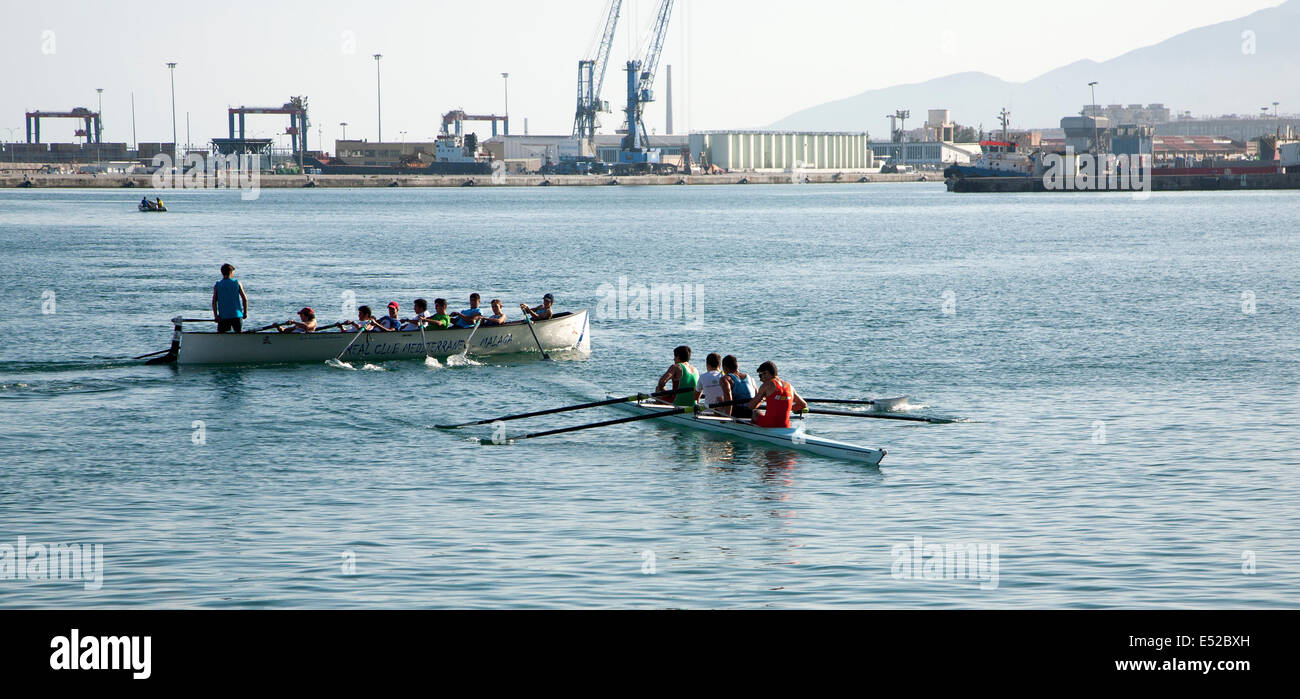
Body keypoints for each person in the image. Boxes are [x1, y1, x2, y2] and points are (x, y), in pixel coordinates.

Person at [748, 361, 807, 428]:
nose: (760, 379)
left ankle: (754, 433)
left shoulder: (766, 385)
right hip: (785, 426)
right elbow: (803, 404)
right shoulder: (790, 386)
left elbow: (751, 406)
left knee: (756, 412)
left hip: (769, 425)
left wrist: (762, 399)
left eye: (760, 375)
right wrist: (786, 409)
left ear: (766, 373)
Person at [211, 263, 249, 333]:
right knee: (238, 334)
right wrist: (245, 313)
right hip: (236, 315)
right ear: (231, 272)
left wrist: (216, 316)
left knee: (221, 336)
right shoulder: (237, 283)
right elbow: (245, 299)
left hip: (223, 316)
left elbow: (214, 302)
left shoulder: (217, 285)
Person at [721, 355, 758, 419]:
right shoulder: (751, 378)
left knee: (718, 403)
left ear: (724, 368)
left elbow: (728, 398)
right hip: (751, 412)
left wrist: (726, 417)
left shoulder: (726, 379)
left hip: (737, 412)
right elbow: (757, 396)